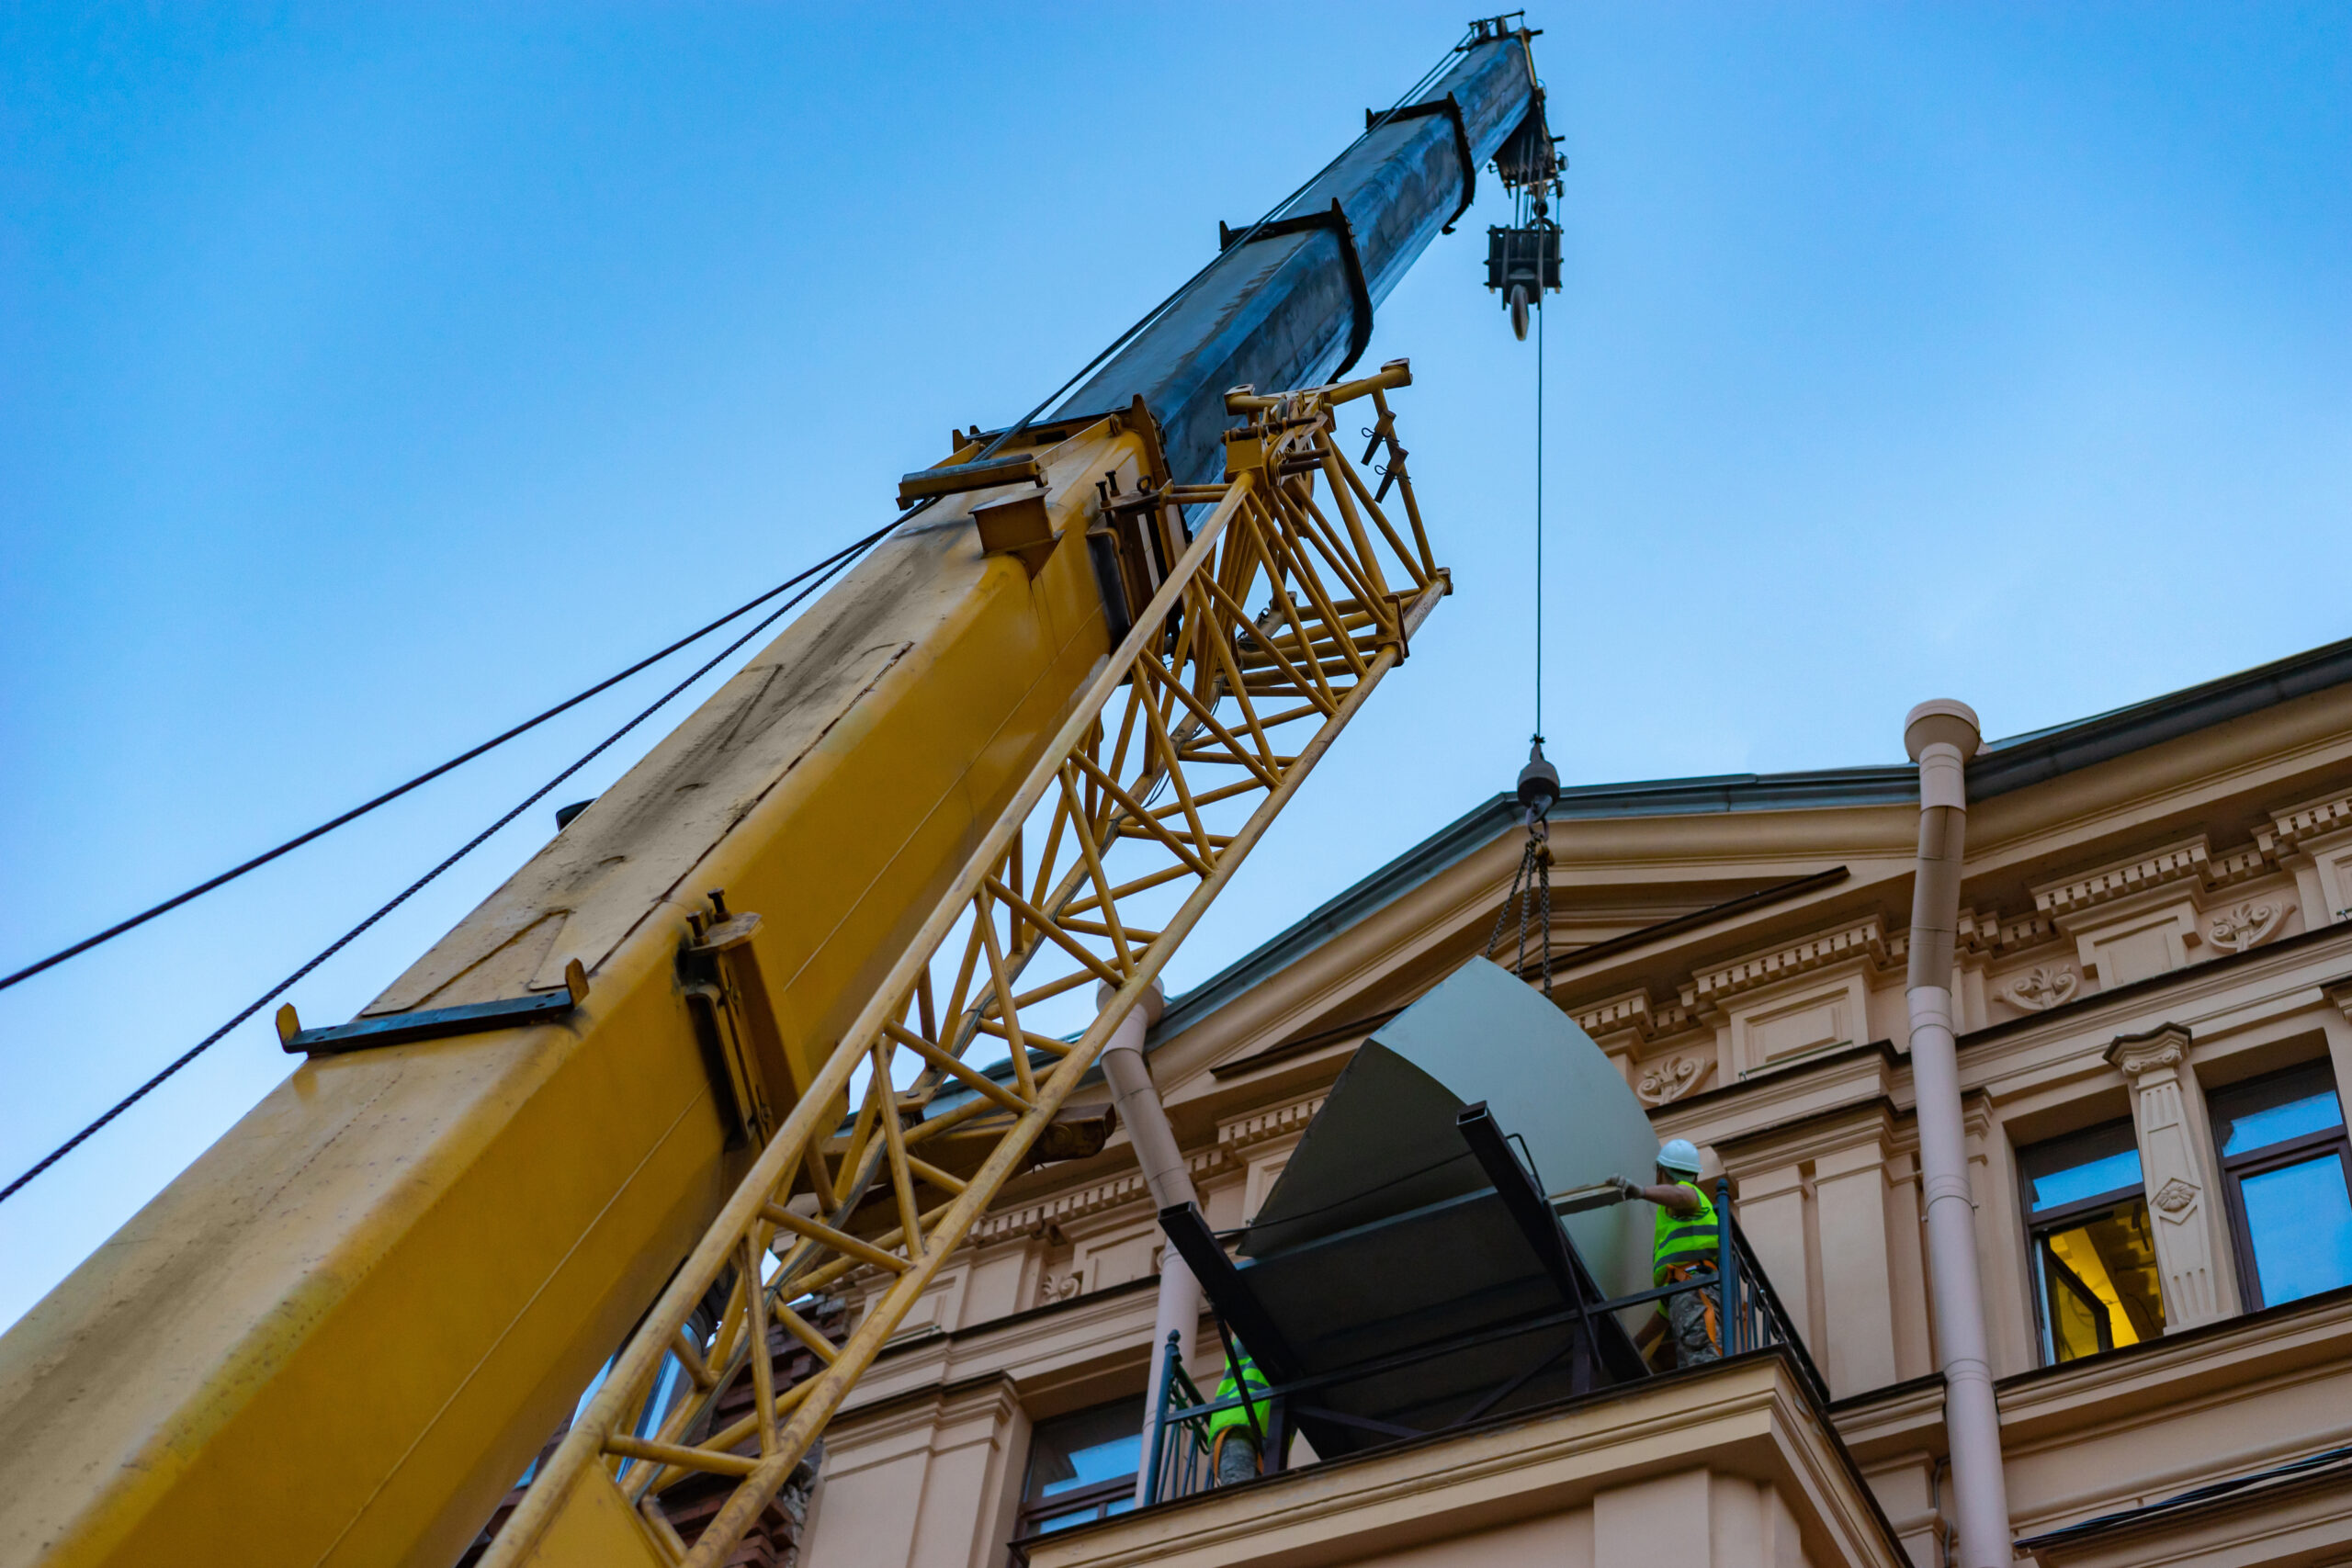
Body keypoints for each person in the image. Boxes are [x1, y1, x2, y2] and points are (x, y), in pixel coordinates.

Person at [1611, 1138, 1722, 1368]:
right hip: (1685, 1291)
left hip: (1695, 1288)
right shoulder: (1676, 1256)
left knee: (1704, 1366)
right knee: (1693, 1366)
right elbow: (1665, 1311)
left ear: (1660, 1172)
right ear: (1696, 1174)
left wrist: (1640, 1191)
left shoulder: (1691, 1195)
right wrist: (1637, 1343)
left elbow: (1683, 1195)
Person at [1205, 1342, 1271, 1484]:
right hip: (1237, 1430)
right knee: (1241, 1498)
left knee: (1249, 1500)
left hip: (1245, 1431)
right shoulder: (1261, 1331)